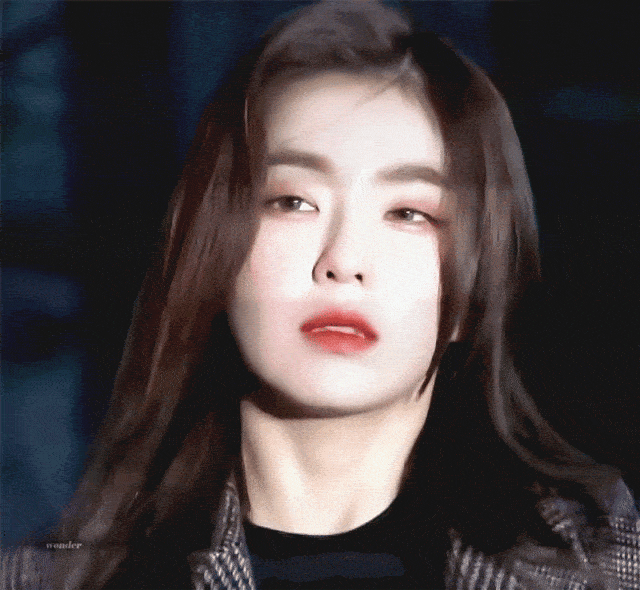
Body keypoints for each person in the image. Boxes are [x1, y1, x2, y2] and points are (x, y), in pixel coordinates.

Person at [2, 2, 638, 589]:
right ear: (214, 249)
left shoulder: (597, 563)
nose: (343, 261)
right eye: (293, 202)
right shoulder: (51, 579)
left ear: (476, 287)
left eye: (410, 213)